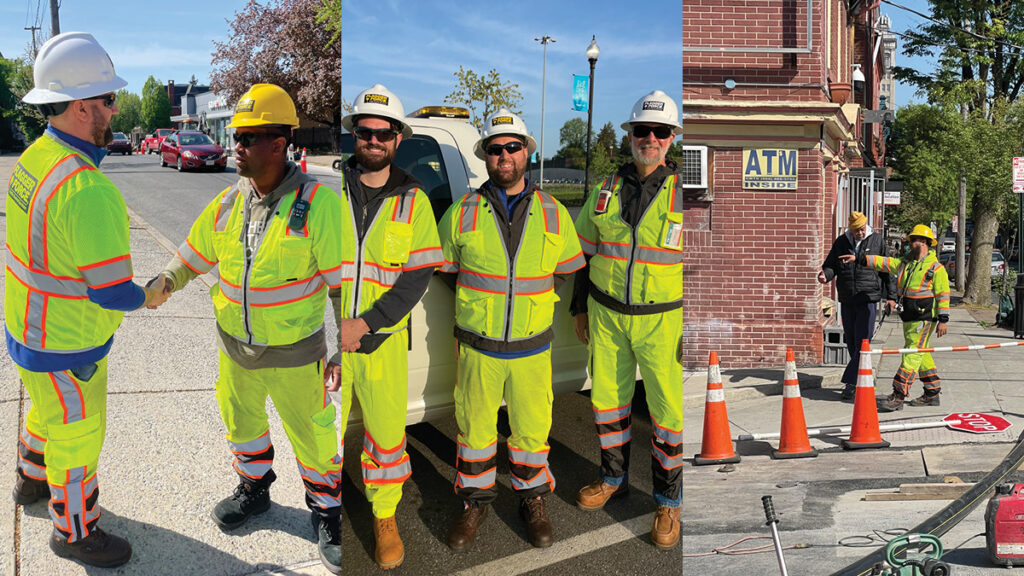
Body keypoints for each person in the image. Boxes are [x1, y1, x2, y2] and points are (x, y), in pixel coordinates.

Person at [152, 84, 342, 574]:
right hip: (235, 351)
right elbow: (192, 257)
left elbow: (346, 289)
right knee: (243, 426)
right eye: (235, 136)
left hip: (296, 355)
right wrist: (166, 281)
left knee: (316, 439)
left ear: (278, 143)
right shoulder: (227, 204)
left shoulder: (320, 206)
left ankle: (328, 510)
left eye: (247, 137)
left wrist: (344, 349)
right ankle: (254, 489)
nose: (235, 146)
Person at [5, 32, 170, 567]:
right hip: (67, 345)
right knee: (77, 440)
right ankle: (73, 532)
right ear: (81, 108)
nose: (115, 108)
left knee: (44, 413)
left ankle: (29, 480)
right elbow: (111, 292)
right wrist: (150, 294)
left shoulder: (34, 157)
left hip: (25, 333)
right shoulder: (90, 190)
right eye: (108, 99)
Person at [438, 109, 585, 550]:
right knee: (475, 433)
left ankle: (532, 500)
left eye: (513, 147)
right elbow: (447, 269)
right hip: (479, 347)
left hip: (531, 348)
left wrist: (522, 304)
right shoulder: (462, 211)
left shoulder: (554, 213)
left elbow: (563, 271)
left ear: (527, 152)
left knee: (530, 433)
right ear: (484, 155)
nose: (504, 155)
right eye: (495, 149)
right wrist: (482, 305)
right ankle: (475, 504)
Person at [570, 90, 684, 549]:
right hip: (607, 315)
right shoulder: (605, 187)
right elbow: (584, 251)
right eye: (642, 131)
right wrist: (579, 306)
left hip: (664, 322)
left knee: (668, 416)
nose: (649, 139)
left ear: (672, 138)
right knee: (610, 405)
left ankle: (667, 501)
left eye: (659, 132)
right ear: (630, 136)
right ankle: (612, 480)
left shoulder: (687, 193)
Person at [338, 84, 443, 570]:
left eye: (385, 132)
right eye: (366, 131)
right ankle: (322, 509)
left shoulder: (414, 202)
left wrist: (366, 323)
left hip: (380, 343)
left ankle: (384, 517)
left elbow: (415, 279)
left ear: (398, 139)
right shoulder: (326, 193)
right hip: (330, 343)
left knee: (385, 438)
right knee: (321, 433)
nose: (374, 139)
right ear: (354, 135)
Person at [839, 224, 950, 411]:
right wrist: (858, 258)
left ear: (924, 243)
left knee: (912, 352)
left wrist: (943, 320)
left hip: (924, 319)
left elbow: (943, 295)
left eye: (913, 240)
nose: (909, 243)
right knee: (920, 352)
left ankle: (899, 393)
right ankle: (932, 391)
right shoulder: (906, 264)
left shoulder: (936, 269)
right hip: (909, 316)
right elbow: (884, 263)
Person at [818, 212, 897, 400]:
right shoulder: (841, 242)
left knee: (864, 341)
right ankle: (864, 376)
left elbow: (887, 270)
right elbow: (831, 266)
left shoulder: (877, 241)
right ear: (850, 229)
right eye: (855, 230)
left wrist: (891, 297)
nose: (859, 233)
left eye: (861, 229)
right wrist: (825, 276)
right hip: (847, 298)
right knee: (852, 342)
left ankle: (851, 382)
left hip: (868, 298)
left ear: (866, 226)